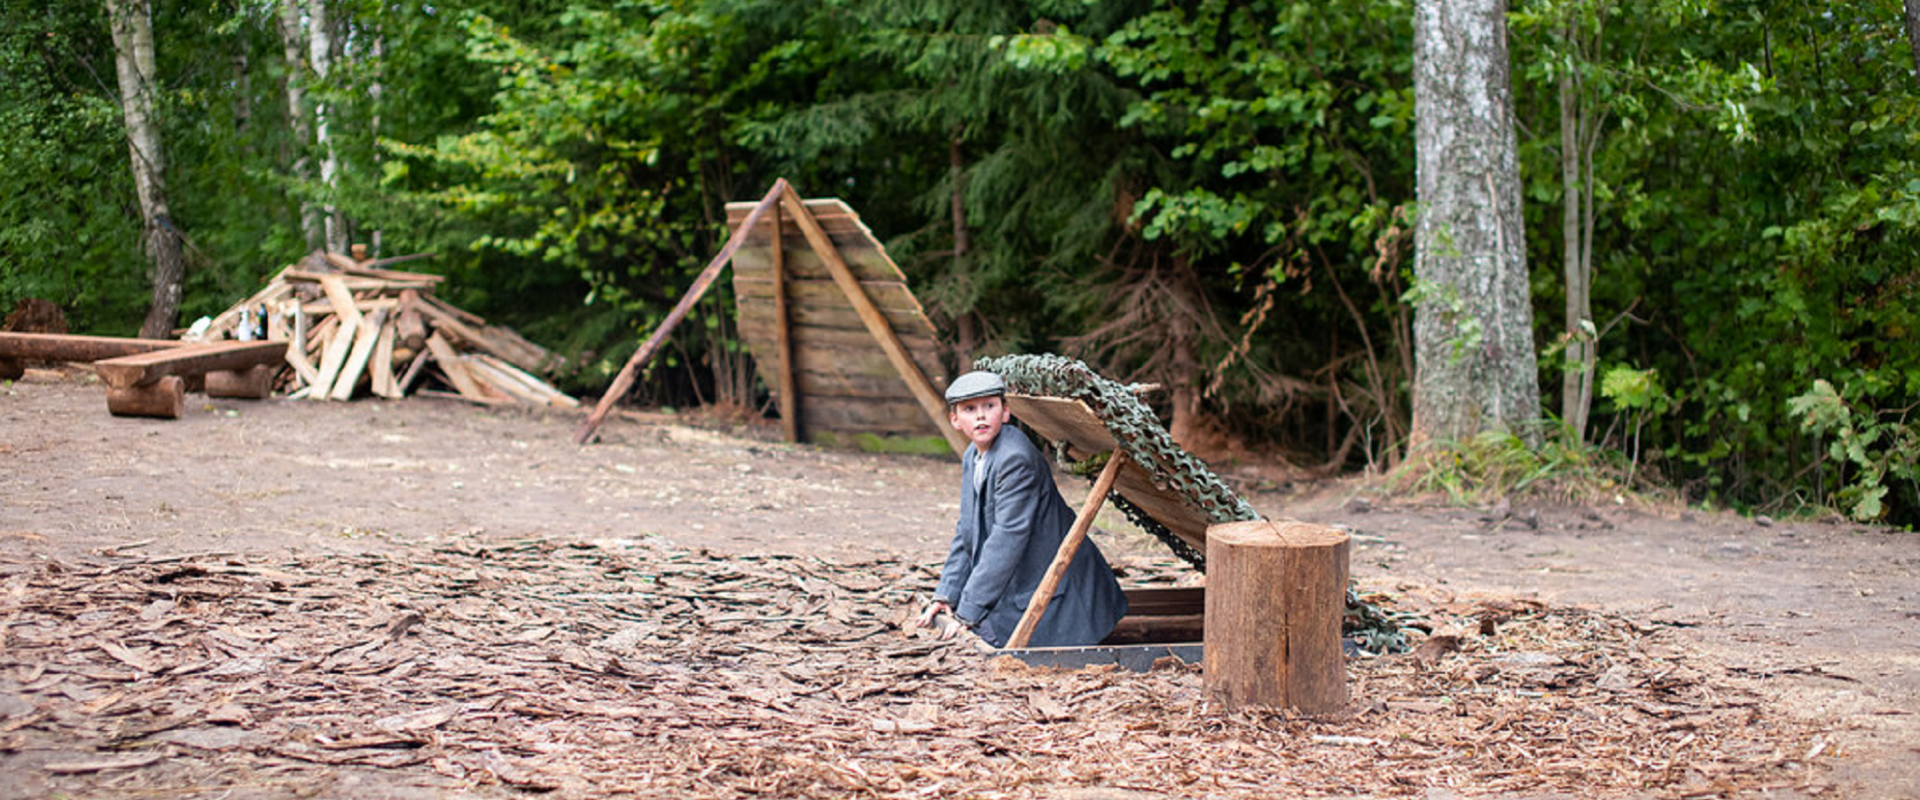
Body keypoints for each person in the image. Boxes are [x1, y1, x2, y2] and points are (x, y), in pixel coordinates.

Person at [914, 370, 1128, 648]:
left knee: (982, 643)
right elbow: (967, 528)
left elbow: (1007, 538)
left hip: (1063, 599)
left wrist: (966, 615)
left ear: (1005, 412)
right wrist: (947, 596)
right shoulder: (973, 456)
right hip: (1021, 585)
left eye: (989, 406)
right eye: (969, 409)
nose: (980, 416)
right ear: (955, 420)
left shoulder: (1015, 458)